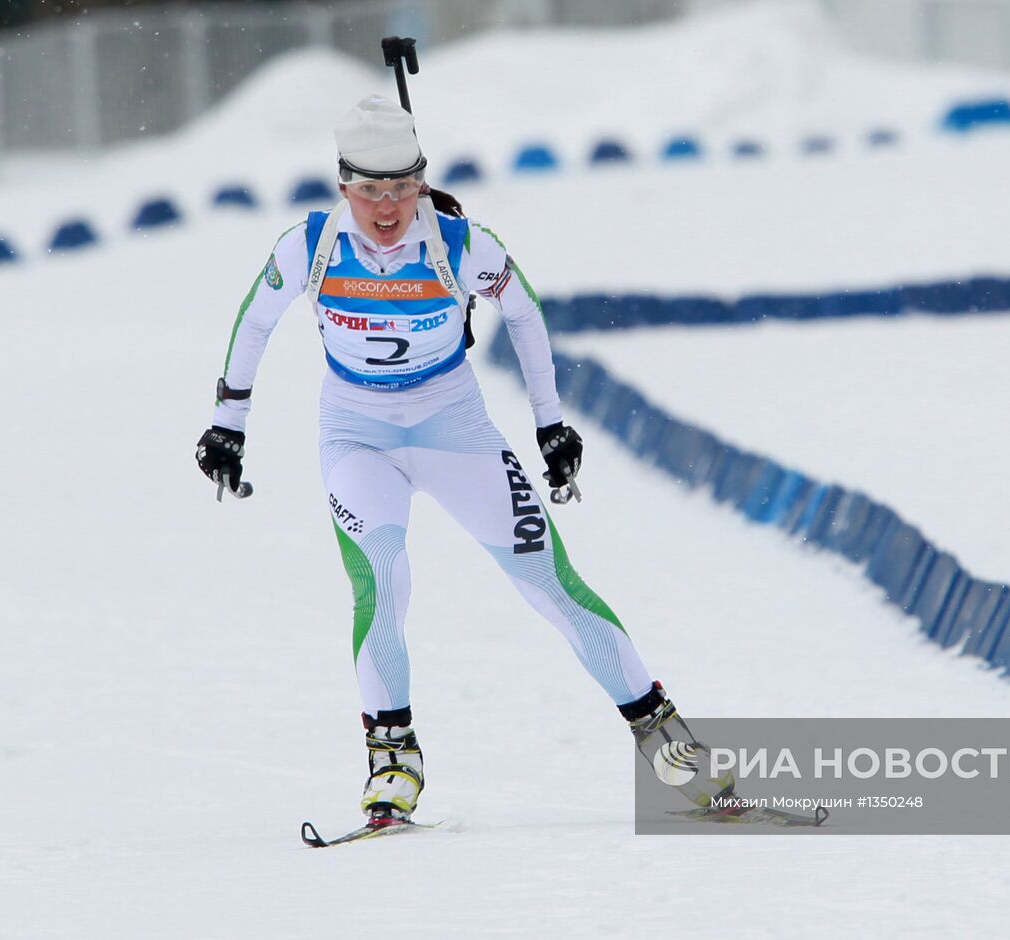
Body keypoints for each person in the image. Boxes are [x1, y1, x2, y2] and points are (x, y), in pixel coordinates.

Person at [194, 95, 727, 826]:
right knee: (380, 580)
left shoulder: (461, 244)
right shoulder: (309, 246)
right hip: (357, 435)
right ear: (344, 186)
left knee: (550, 584)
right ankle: (393, 760)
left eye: (402, 188)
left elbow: (526, 314)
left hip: (456, 429)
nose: (387, 208)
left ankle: (668, 743)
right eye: (371, 191)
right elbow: (255, 320)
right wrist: (229, 424)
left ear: (420, 182)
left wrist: (552, 427)